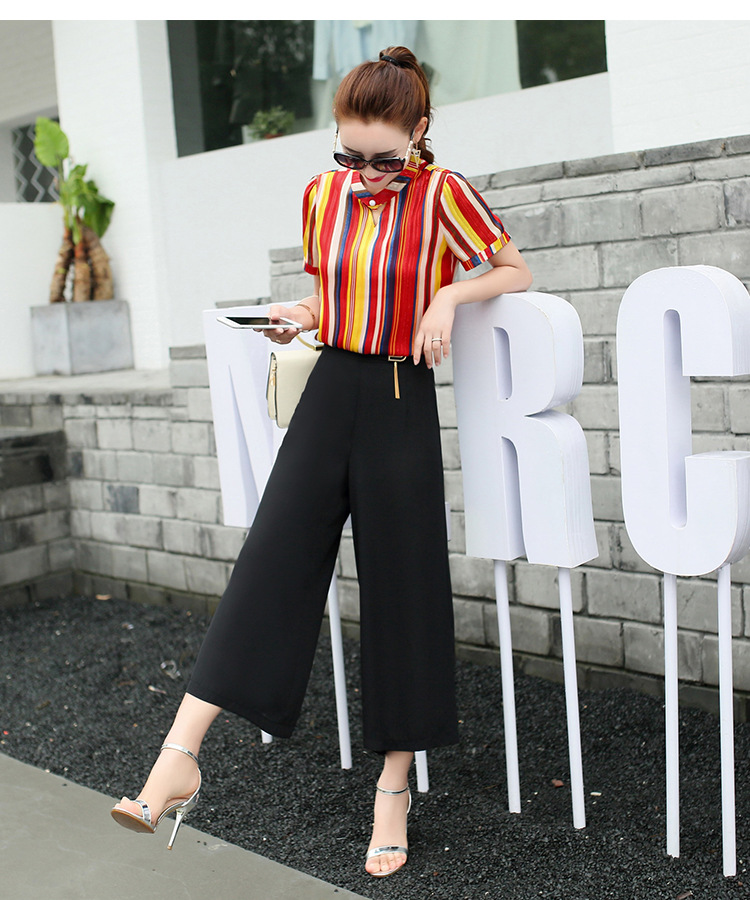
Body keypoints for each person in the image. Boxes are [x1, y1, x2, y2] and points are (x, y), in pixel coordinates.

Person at [110, 46, 532, 878]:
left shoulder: (444, 194)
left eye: (385, 158)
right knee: (271, 558)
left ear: (419, 132)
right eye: (350, 155)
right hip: (330, 387)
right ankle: (177, 756)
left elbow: (514, 270)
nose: (365, 173)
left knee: (404, 589)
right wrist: (298, 315)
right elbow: (331, 293)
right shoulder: (320, 195)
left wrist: (449, 295)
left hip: (401, 397)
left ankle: (393, 789)